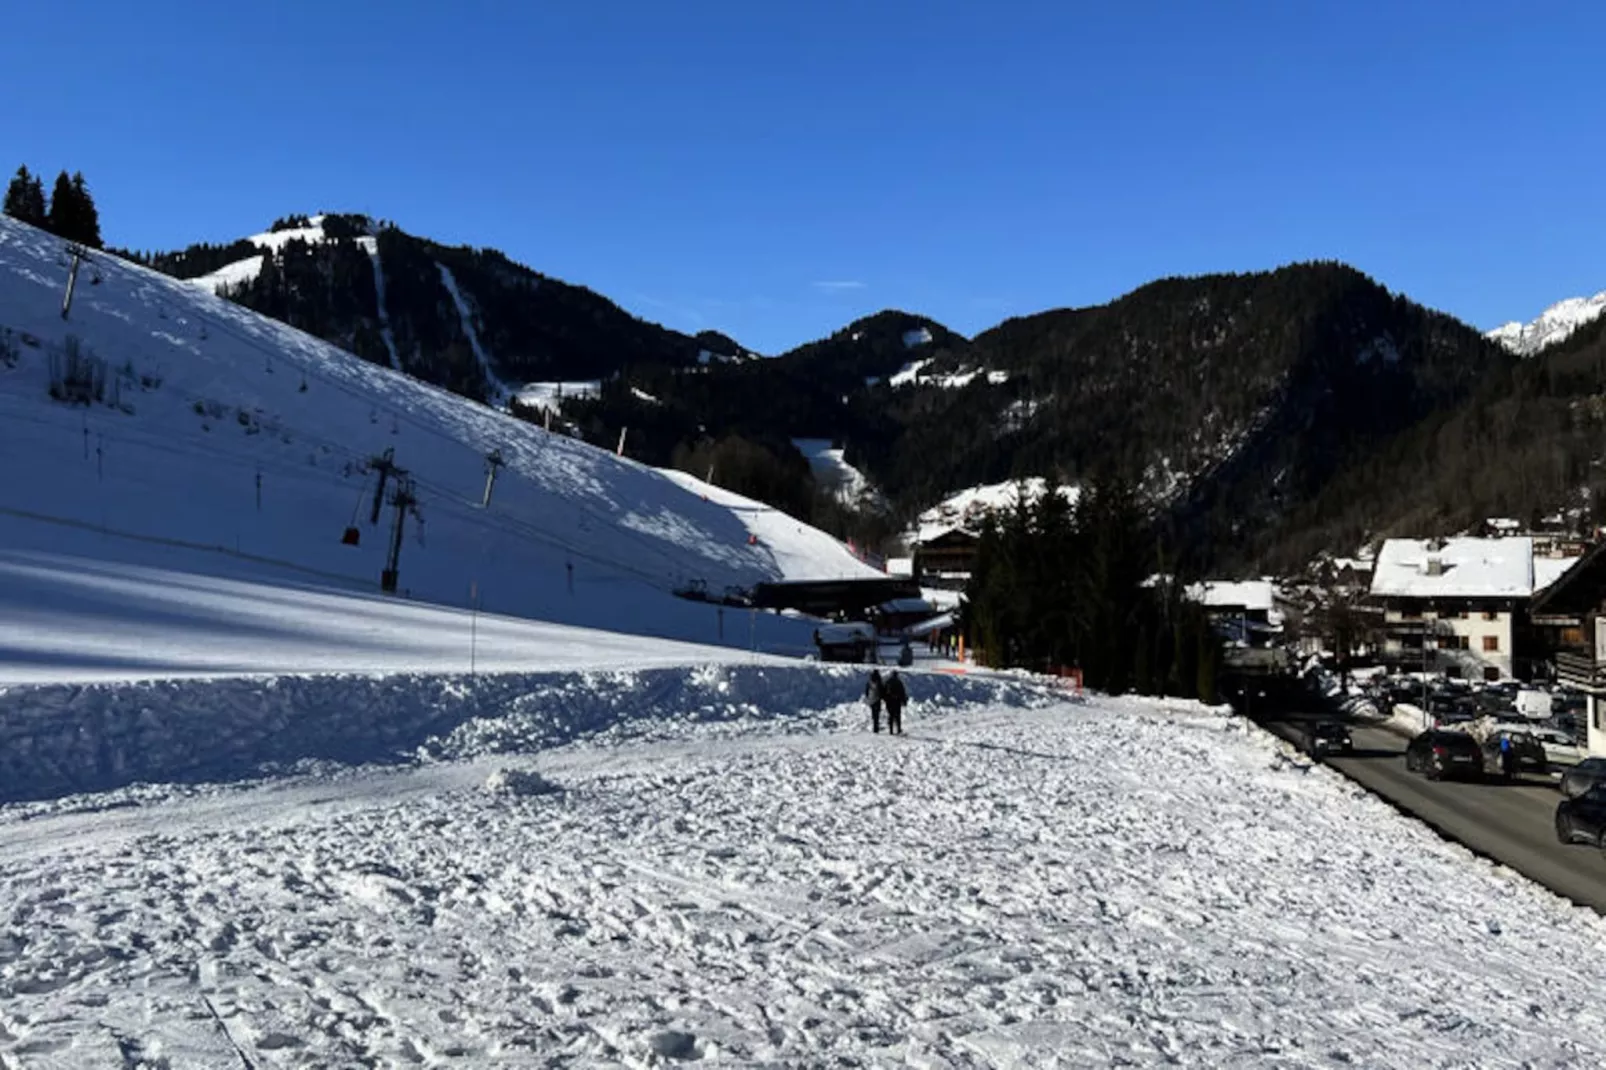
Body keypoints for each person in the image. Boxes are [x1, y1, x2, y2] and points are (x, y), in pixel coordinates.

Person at [883, 670, 909, 735]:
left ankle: (891, 730)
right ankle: (898, 729)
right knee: (898, 716)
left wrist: (885, 699)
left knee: (891, 716)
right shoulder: (899, 682)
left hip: (889, 701)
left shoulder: (888, 682)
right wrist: (904, 701)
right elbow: (902, 692)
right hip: (897, 701)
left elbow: (883, 691)